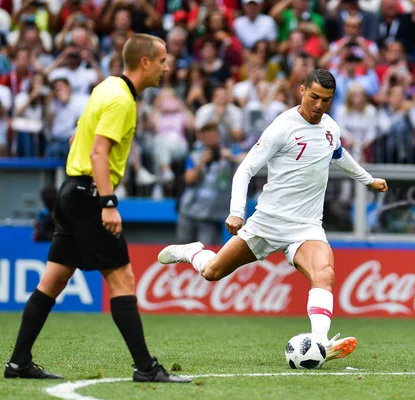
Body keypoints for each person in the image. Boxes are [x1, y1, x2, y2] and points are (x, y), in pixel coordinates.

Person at [157, 69, 388, 363]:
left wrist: (368, 180)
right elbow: (245, 169)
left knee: (324, 274)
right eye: (314, 97)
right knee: (212, 272)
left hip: (306, 226)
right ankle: (192, 252)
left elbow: (339, 154)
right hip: (268, 223)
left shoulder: (330, 127)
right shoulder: (282, 127)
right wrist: (237, 212)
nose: (318, 105)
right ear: (302, 91)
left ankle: (320, 342)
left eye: (326, 100)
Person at [4, 34, 190, 383]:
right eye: (163, 60)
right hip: (90, 196)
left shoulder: (106, 87)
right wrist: (108, 203)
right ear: (145, 62)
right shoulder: (122, 100)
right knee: (122, 279)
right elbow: (97, 152)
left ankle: (18, 362)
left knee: (54, 280)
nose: (168, 67)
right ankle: (146, 368)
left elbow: (80, 137)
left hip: (71, 191)